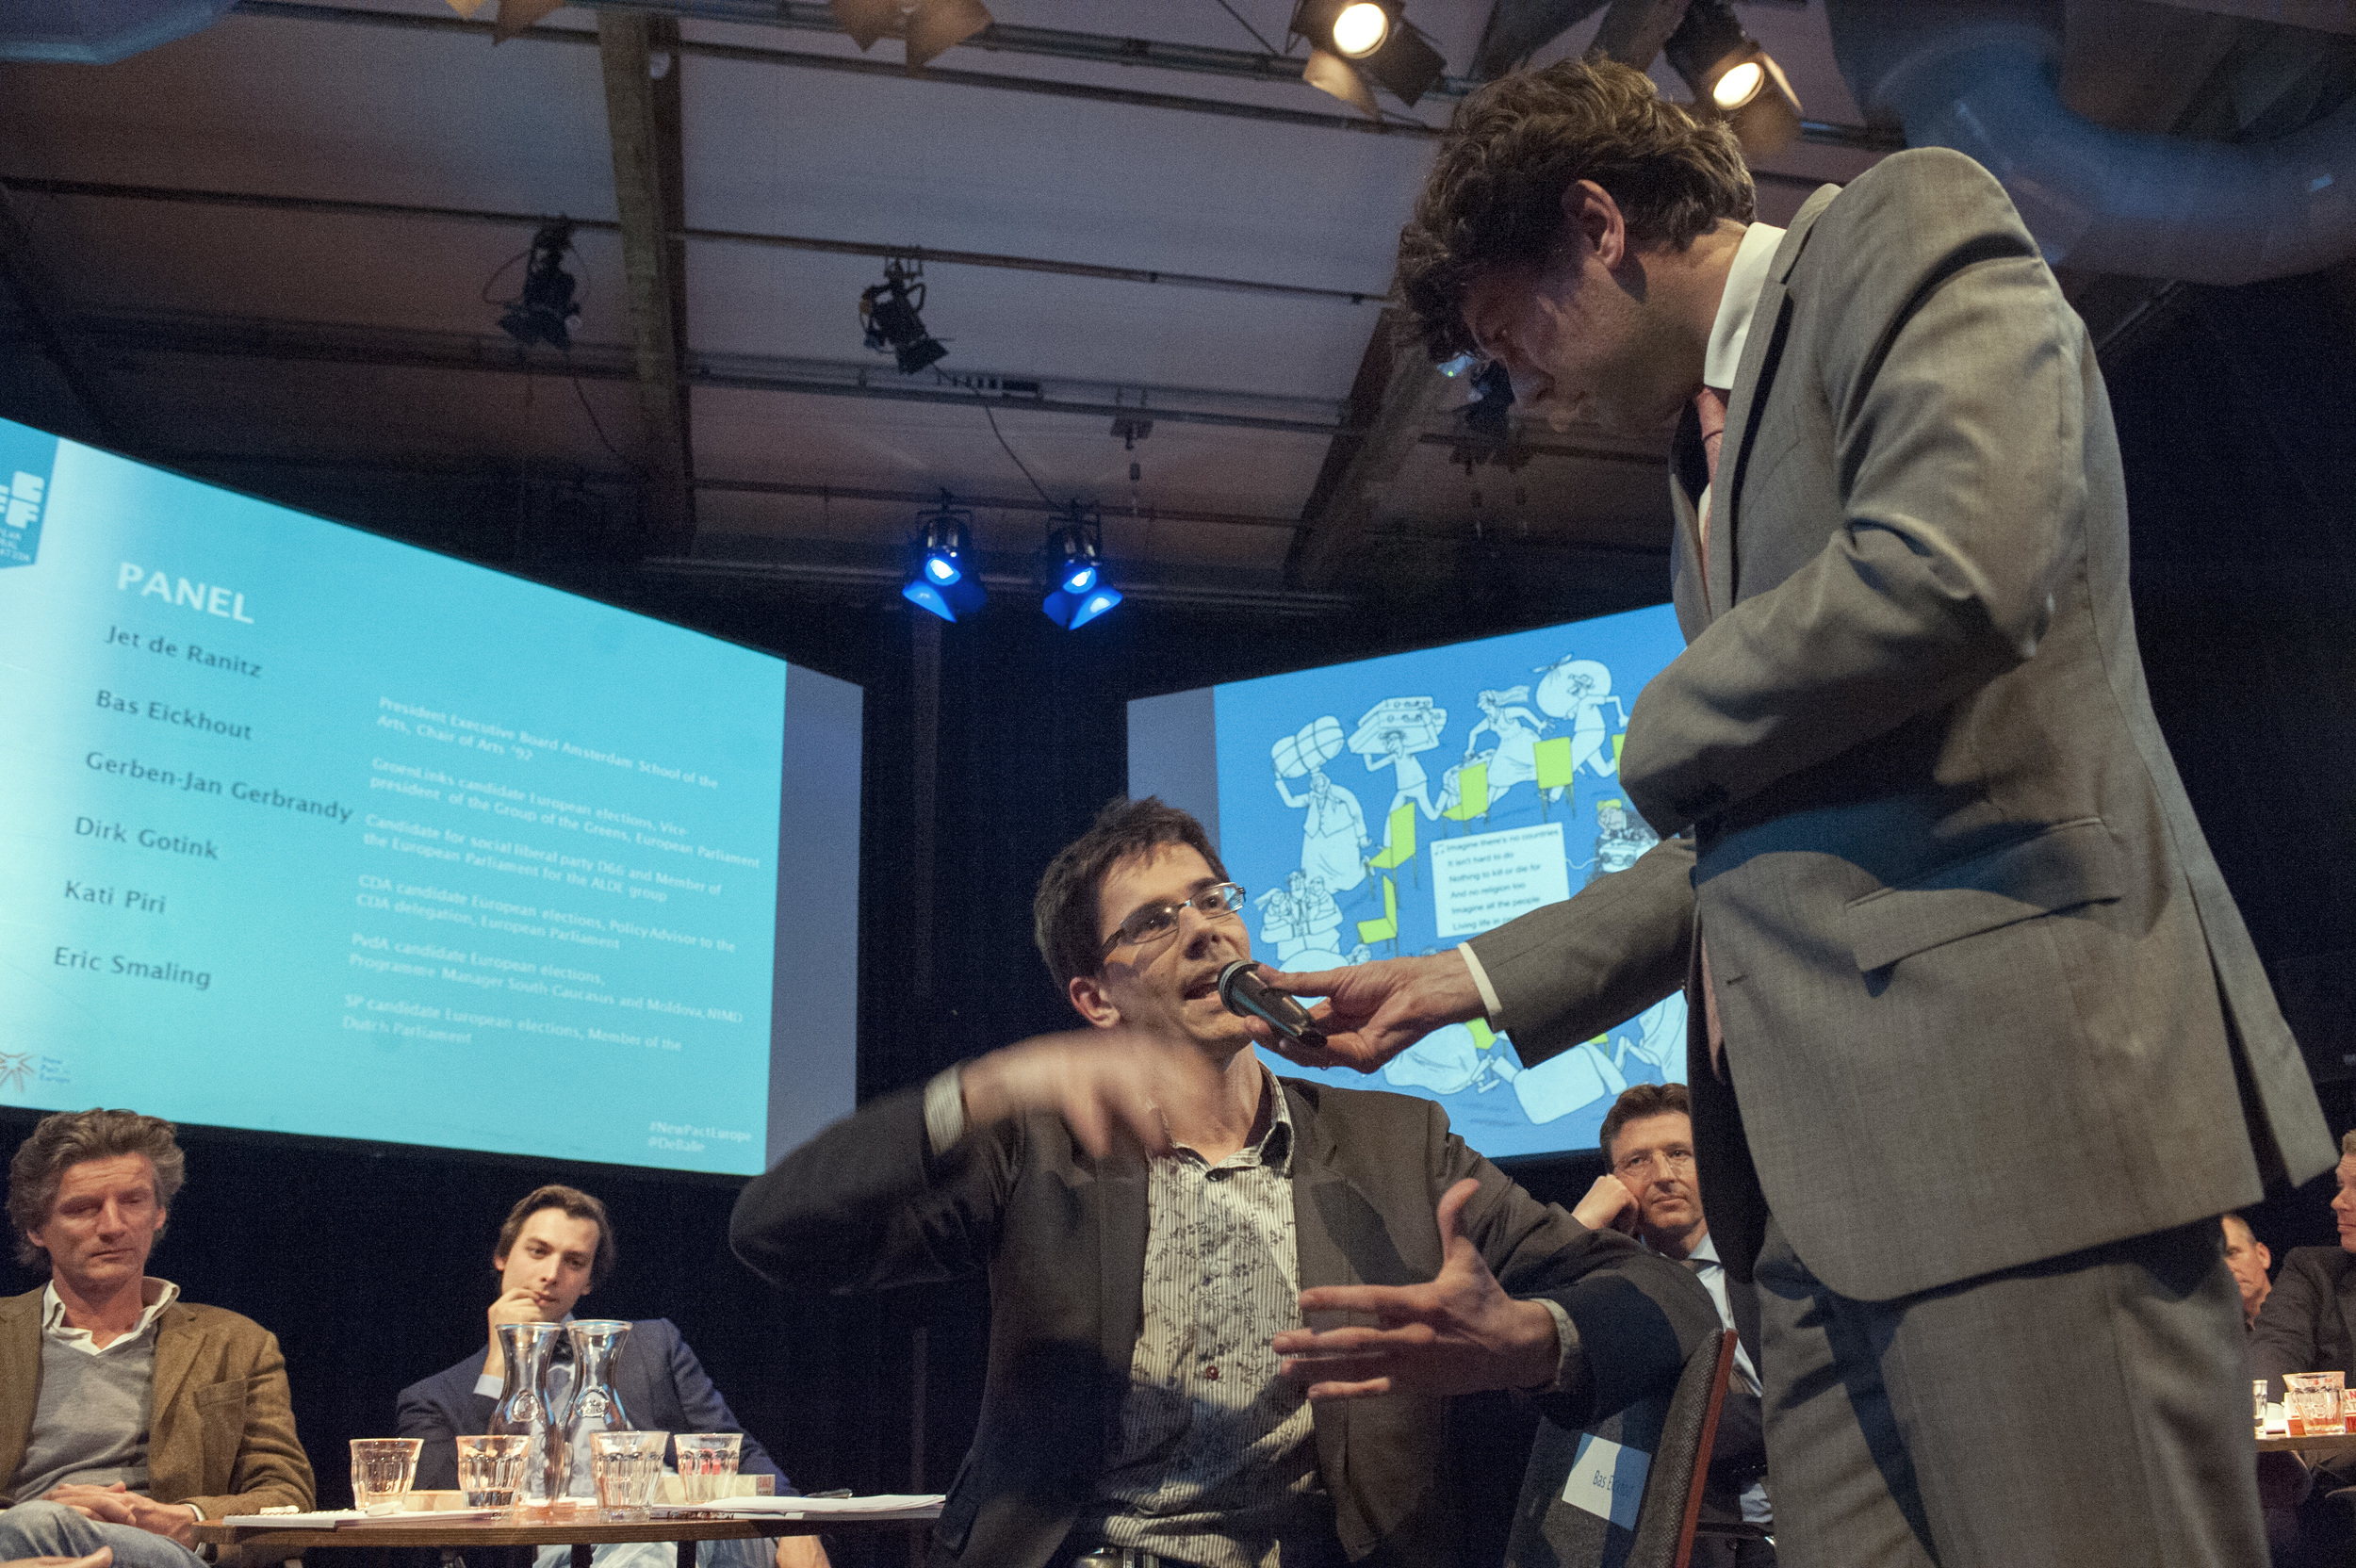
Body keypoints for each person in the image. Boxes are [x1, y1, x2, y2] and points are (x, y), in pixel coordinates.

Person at [1252, 55, 2334, 1568]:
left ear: (1598, 224)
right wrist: (1465, 981)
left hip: (2013, 1141)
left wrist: (1644, 727)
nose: (1522, 393)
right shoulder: (1700, 461)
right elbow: (1747, 839)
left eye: (1512, 336)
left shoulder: (1910, 223)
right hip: (1812, 1232)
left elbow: (1962, 562)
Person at [729, 796, 1720, 1568]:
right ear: (1093, 996)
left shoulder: (1396, 1143)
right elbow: (776, 1232)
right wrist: (975, 1091)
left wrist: (1527, 1340)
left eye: (1213, 898)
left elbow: (1672, 1303)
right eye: (1154, 921)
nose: (1205, 928)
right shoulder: (1038, 1148)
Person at [395, 1185, 824, 1568]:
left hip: (688, 1539)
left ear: (587, 1282)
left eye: (574, 1261)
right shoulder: (432, 1398)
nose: (551, 1275)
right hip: (555, 1555)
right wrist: (499, 1366)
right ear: (502, 1257)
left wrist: (796, 1524)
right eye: (538, 1251)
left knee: (655, 1536)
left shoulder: (652, 1346)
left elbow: (734, 1450)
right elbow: (445, 1522)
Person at [0, 1109, 314, 1568]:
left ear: (159, 1212)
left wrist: (187, 1520)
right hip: (18, 1542)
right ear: (36, 1228)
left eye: (132, 1201)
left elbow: (291, 1501)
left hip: (163, 1553)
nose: (112, 1225)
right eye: (83, 1208)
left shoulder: (236, 1344)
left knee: (47, 1528)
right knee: (39, 1526)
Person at [1575, 1085, 1770, 1564]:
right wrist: (1577, 1235)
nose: (1663, 1175)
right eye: (1637, 1161)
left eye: (1680, 1153)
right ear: (1613, 1182)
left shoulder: (1770, 1263)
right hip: (1705, 1545)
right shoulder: (1612, 1289)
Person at [2250, 1137, 2356, 1566]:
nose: (2337, 1201)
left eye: (2354, 1187)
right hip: (2328, 1487)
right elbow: (2271, 1353)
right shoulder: (2313, 1270)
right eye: (2339, 1184)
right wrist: (2274, 1447)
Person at [2225, 1213, 2274, 1331]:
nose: (2227, 1270)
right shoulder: (2218, 1343)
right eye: (2217, 1265)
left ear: (2262, 1255)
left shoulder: (2312, 1313)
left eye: (2232, 1253)